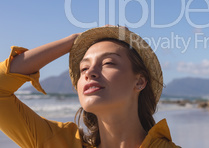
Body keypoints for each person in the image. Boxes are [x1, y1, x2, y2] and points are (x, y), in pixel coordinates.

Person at [0, 26, 180, 148]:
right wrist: (73, 41)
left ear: (140, 81)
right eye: (83, 68)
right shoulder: (59, 143)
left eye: (108, 63)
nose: (89, 72)